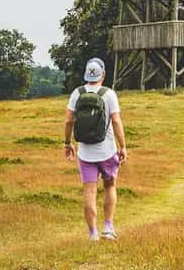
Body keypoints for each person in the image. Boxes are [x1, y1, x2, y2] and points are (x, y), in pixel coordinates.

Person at [64, 57, 127, 241]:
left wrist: (68, 143)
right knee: (110, 186)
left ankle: (93, 234)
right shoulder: (109, 94)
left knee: (89, 192)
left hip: (85, 154)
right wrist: (123, 147)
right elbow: (116, 121)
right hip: (107, 151)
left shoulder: (77, 93)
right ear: (103, 74)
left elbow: (69, 121)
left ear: (86, 74)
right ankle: (108, 227)